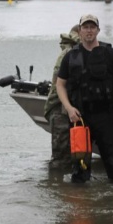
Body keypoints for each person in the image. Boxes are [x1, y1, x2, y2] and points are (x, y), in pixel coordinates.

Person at [55, 14, 113, 183]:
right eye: (85, 27)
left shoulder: (111, 54)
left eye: (92, 27)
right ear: (79, 31)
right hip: (80, 118)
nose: (89, 30)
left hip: (107, 116)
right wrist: (68, 108)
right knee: (80, 169)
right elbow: (60, 85)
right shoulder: (70, 56)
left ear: (98, 30)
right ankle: (81, 205)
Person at [43, 25, 79, 169]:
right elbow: (60, 85)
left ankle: (62, 188)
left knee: (73, 155)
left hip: (68, 108)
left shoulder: (75, 52)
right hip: (59, 109)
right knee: (61, 159)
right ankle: (56, 187)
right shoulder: (68, 54)